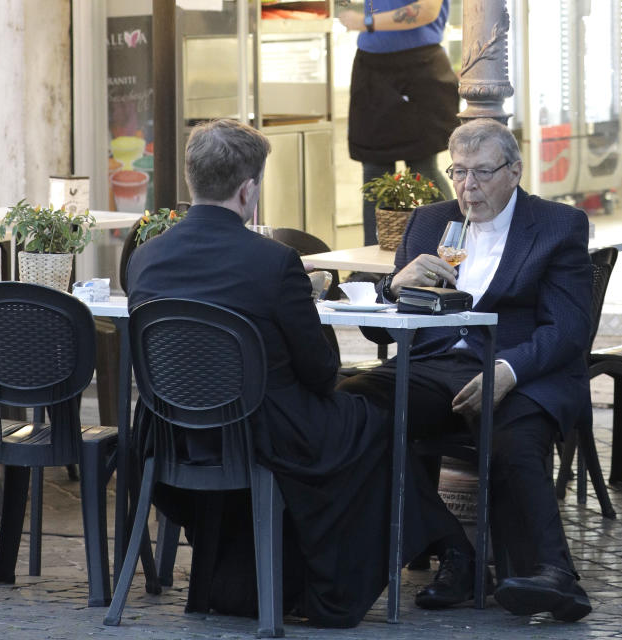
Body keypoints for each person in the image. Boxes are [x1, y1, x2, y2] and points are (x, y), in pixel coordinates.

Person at [125, 118, 473, 628]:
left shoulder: (145, 258)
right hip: (269, 431)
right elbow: (319, 370)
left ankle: (269, 579)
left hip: (172, 434)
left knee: (354, 416)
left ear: (191, 180)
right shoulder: (274, 262)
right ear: (249, 190)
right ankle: (331, 591)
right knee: (373, 421)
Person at [338, 118, 594, 622]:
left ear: (515, 171)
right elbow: (386, 333)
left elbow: (567, 330)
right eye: (457, 172)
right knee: (351, 407)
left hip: (520, 368)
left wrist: (508, 370)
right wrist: (396, 288)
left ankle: (554, 575)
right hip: (437, 365)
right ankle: (456, 551)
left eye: (480, 173)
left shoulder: (557, 226)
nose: (467, 187)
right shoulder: (430, 223)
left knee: (515, 438)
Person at [338, 0, 457, 245]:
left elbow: (426, 10)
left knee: (422, 170)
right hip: (371, 67)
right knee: (374, 173)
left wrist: (365, 21)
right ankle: (372, 266)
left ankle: (455, 249)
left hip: (419, 68)